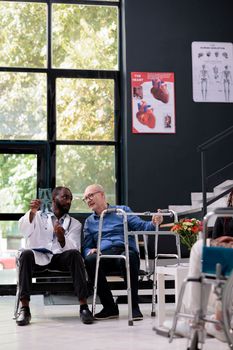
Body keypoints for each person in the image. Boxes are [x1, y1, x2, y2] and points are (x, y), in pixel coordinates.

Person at [82, 184, 163, 321]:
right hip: (105, 255)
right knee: (90, 260)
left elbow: (142, 226)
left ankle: (134, 307)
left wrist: (155, 222)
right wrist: (90, 250)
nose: (88, 200)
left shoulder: (122, 211)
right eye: (85, 198)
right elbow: (86, 247)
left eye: (91, 195)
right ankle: (109, 307)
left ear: (102, 195)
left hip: (125, 251)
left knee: (129, 257)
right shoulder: (89, 222)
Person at [16, 186, 94, 326]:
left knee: (75, 255)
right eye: (65, 197)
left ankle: (84, 307)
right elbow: (23, 230)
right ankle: (25, 309)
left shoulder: (75, 224)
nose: (69, 201)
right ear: (54, 199)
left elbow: (74, 247)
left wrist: (62, 238)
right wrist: (32, 212)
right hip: (38, 256)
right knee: (26, 254)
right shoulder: (38, 216)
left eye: (70, 198)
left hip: (59, 258)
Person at [169, 190, 233, 342]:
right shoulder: (223, 217)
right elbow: (215, 237)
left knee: (200, 249)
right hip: (225, 252)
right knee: (199, 246)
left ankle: (209, 320)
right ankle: (199, 318)